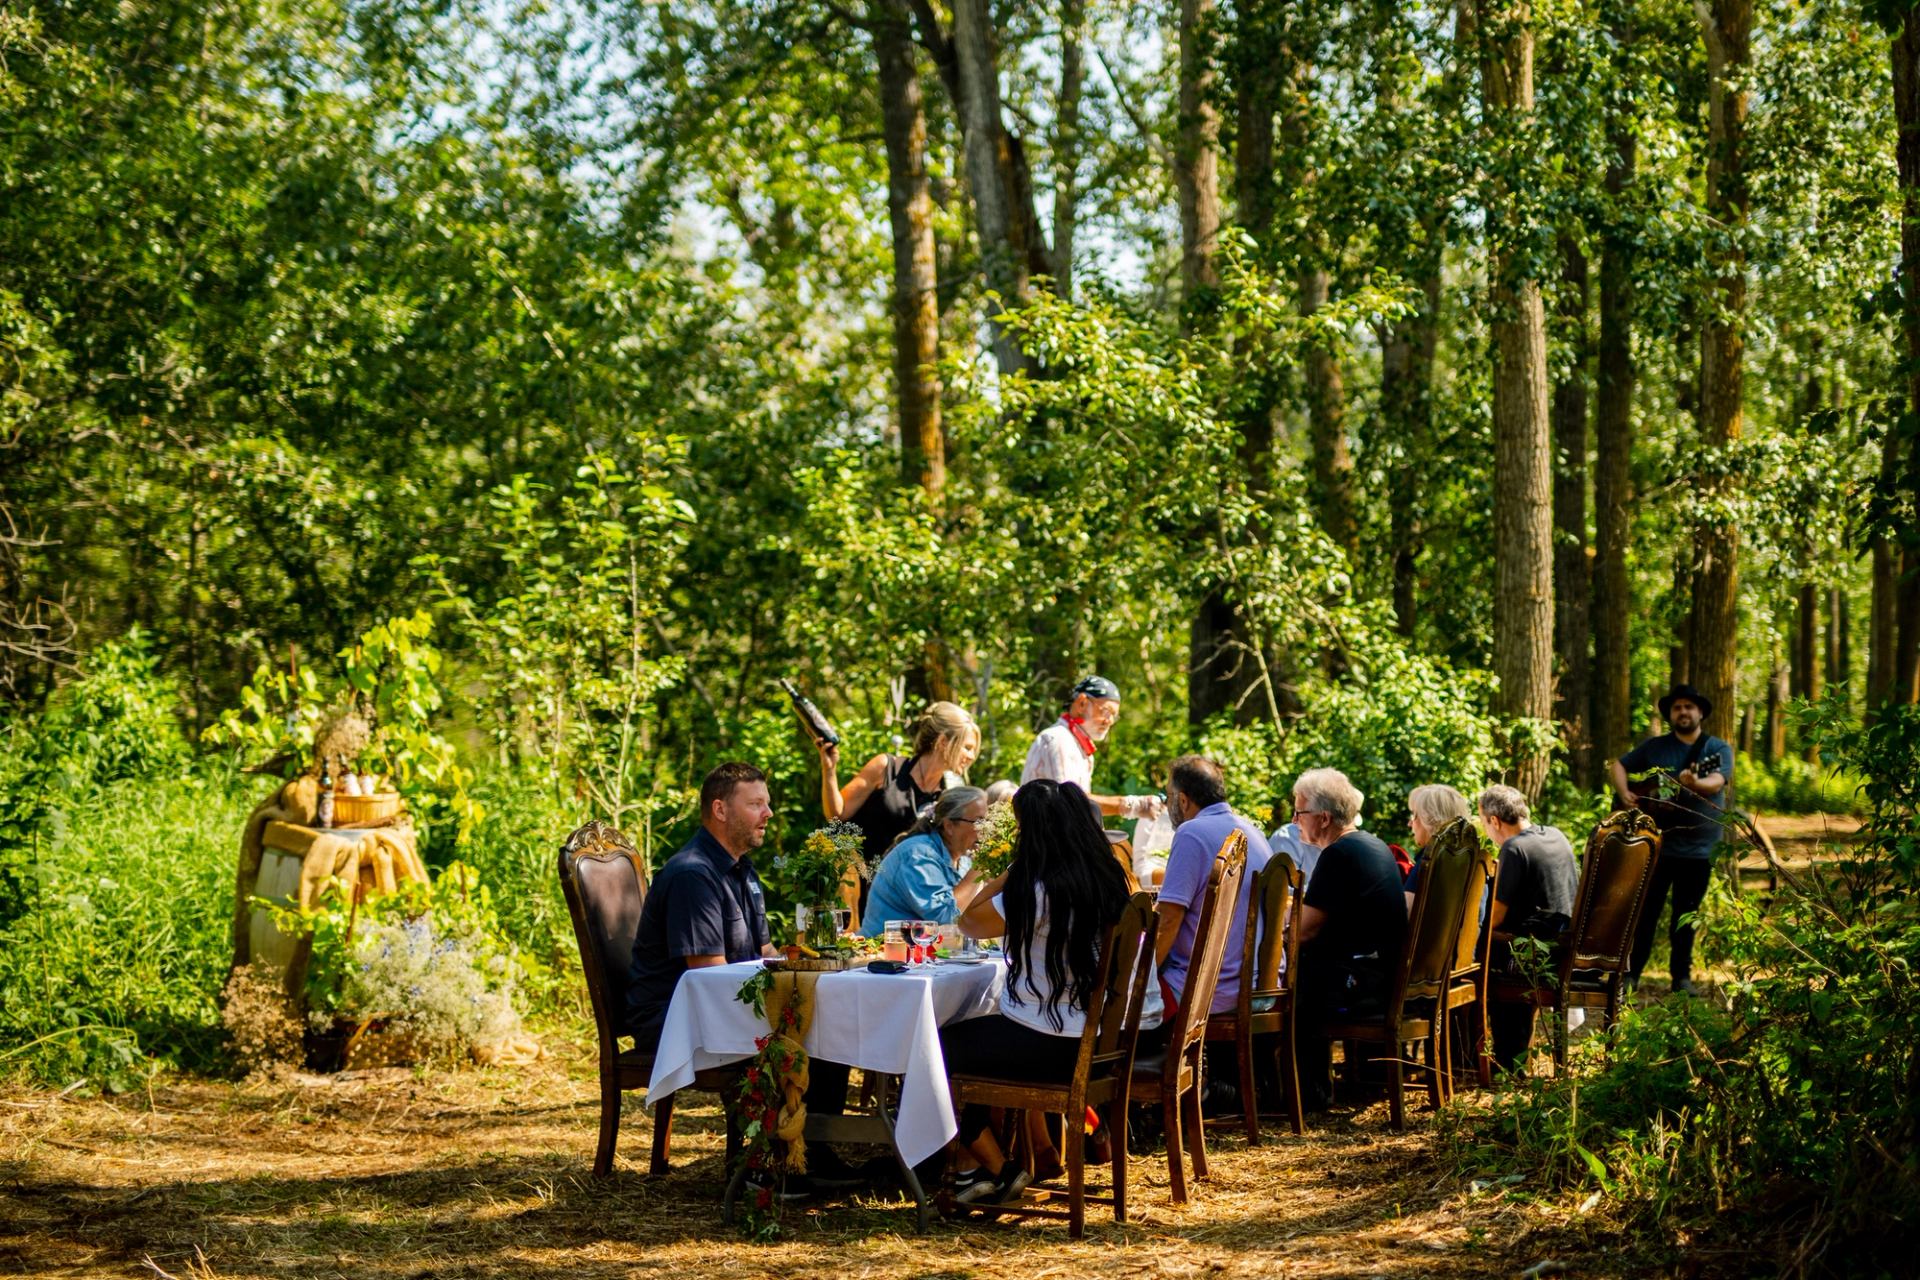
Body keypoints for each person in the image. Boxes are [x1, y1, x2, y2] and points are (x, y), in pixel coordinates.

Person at [939, 779, 1165, 1204]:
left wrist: (1012, 868)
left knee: (933, 1047)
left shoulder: (1037, 891)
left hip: (1051, 1046)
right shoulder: (1110, 879)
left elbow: (968, 920)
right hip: (1100, 1045)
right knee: (974, 1039)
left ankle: (997, 1168)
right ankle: (984, 1169)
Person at [625, 762, 779, 1051]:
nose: (768, 813)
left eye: (766, 804)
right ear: (720, 810)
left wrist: (807, 976)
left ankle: (811, 1099)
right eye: (756, 804)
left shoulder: (743, 869)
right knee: (809, 1034)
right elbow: (710, 976)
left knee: (821, 1019)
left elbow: (765, 952)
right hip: (673, 1019)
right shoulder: (692, 875)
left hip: (721, 1005)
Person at [1288, 768, 1409, 1111]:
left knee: (1286, 986)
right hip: (1382, 974)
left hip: (1362, 985)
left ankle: (1305, 1094)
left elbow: (1305, 931)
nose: (1295, 820)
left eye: (1299, 812)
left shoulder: (1338, 854)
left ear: (1323, 818)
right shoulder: (1372, 844)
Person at [1610, 682, 1734, 996]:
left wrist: (1695, 782)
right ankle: (1631, 975)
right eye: (1677, 707)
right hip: (1657, 845)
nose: (1683, 712)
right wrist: (1625, 793)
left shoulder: (1716, 750)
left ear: (1700, 712)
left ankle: (1681, 979)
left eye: (1689, 707)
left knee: (1686, 916)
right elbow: (1619, 765)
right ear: (1670, 713)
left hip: (1699, 849)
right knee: (1646, 914)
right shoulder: (1655, 747)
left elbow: (1717, 781)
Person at [818, 701, 980, 908]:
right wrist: (829, 770)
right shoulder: (886, 769)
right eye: (967, 747)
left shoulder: (948, 795)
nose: (971, 756)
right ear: (942, 742)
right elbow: (836, 814)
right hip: (855, 890)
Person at [1155, 756, 1271, 1019]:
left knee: (1116, 1003)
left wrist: (1139, 978)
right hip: (1258, 986)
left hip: (1205, 989)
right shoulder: (1254, 833)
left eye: (1169, 796)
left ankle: (1155, 1061)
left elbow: (1168, 921)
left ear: (1183, 800)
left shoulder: (1190, 833)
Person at [1477, 784, 1580, 1072]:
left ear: (1494, 821)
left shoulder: (1514, 847)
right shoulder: (1556, 835)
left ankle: (1500, 1061)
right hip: (1562, 944)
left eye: (1484, 822)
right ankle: (1514, 1057)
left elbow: (1495, 918)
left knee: (1477, 951)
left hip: (1537, 954)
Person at [1020, 675, 1162, 820]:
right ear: (1082, 703)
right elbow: (1070, 802)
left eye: (1114, 716)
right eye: (1106, 711)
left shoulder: (1076, 743)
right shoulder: (1059, 740)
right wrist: (1133, 805)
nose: (1110, 721)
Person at [861, 786, 990, 935]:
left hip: (927, 953)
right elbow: (946, 919)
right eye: (979, 821)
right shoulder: (918, 854)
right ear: (949, 826)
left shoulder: (964, 861)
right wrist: (982, 864)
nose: (986, 829)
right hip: (886, 951)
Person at [1401, 783, 1472, 910]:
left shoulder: (1429, 858)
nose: (1409, 823)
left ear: (1430, 819)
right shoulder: (1471, 858)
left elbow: (1404, 915)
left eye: (1414, 815)